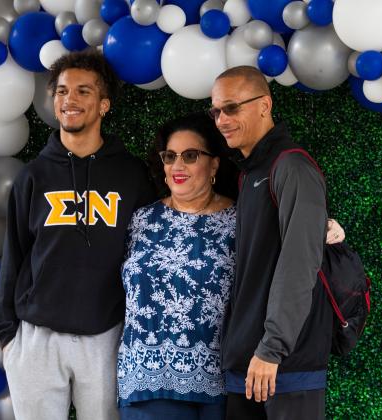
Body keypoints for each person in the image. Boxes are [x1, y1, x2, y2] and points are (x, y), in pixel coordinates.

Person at [117, 113, 344, 420]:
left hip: (222, 383)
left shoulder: (239, 220)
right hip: (147, 381)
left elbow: (283, 249)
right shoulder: (139, 220)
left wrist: (325, 226)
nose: (178, 165)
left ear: (214, 165)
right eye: (170, 156)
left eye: (191, 155)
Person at [0, 51, 155, 420]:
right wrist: (7, 335)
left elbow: (144, 254)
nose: (70, 99)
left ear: (104, 104)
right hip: (36, 337)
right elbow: (14, 252)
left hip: (104, 334)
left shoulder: (131, 175)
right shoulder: (33, 176)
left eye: (83, 91)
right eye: (63, 91)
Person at [211, 65, 337, 419]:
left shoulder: (292, 167)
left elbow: (299, 264)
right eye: (216, 110)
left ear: (264, 105)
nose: (221, 120)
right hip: (246, 363)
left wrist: (272, 348)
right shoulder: (250, 173)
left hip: (285, 366)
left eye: (232, 108)